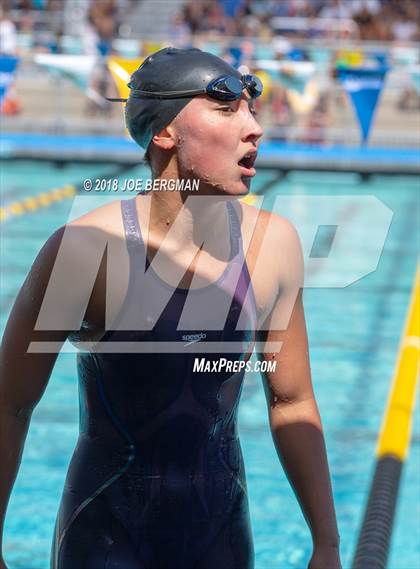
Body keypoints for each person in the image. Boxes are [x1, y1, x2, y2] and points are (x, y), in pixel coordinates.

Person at [0, 47, 341, 569]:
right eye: (228, 110)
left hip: (222, 543)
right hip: (103, 541)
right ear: (165, 133)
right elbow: (9, 405)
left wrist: (327, 545)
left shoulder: (274, 245)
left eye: (252, 109)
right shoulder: (83, 252)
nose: (255, 129)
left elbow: (291, 402)